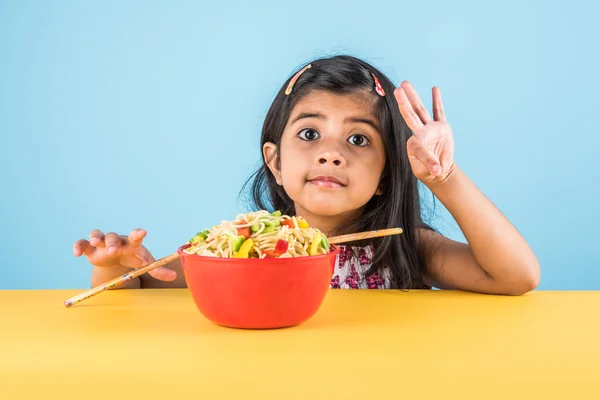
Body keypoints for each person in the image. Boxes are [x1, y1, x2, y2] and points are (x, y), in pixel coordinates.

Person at [73, 55, 540, 295]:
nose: (332, 154)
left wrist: (445, 178)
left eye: (359, 140)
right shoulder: (246, 246)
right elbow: (146, 288)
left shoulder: (405, 248)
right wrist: (114, 265)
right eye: (310, 134)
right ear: (275, 161)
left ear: (385, 174)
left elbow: (517, 277)